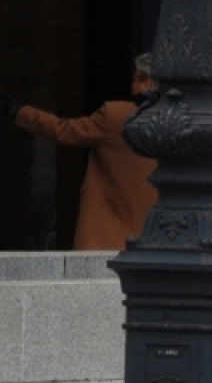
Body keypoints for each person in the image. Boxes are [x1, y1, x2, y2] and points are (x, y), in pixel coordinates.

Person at [0, 55, 158, 250]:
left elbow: (64, 130)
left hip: (106, 240)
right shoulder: (183, 123)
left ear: (146, 82)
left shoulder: (115, 116)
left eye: (135, 79)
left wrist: (18, 111)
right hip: (156, 241)